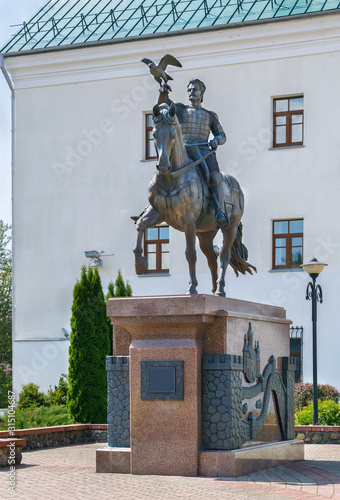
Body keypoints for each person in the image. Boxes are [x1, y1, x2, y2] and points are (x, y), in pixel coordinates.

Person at [159, 79, 229, 229]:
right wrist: (163, 93)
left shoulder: (210, 115)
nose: (191, 92)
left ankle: (220, 211)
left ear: (202, 93)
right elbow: (165, 105)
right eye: (189, 90)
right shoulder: (181, 110)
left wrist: (216, 140)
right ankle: (153, 206)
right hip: (183, 150)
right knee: (163, 171)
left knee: (216, 177)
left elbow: (222, 135)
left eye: (195, 89)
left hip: (203, 151)